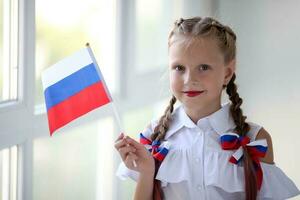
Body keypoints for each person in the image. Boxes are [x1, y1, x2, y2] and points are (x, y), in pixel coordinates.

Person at [114, 16, 300, 200]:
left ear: (227, 73)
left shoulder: (255, 139)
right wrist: (146, 171)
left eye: (203, 67)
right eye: (179, 68)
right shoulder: (153, 136)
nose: (189, 80)